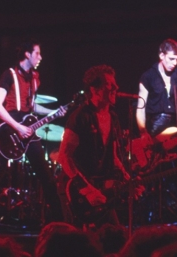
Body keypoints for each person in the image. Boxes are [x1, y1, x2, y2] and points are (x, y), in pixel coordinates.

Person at [0, 40, 66, 234]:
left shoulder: (35, 78)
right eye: (38, 53)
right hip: (9, 130)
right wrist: (17, 127)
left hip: (27, 130)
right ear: (27, 54)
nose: (41, 57)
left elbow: (32, 106)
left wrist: (53, 112)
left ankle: (61, 223)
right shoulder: (8, 75)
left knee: (46, 176)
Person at [57, 65, 143, 229]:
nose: (116, 88)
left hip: (99, 190)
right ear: (94, 89)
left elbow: (113, 157)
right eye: (109, 84)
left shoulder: (113, 117)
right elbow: (64, 157)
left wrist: (127, 179)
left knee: (114, 238)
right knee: (80, 243)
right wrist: (86, 190)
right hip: (75, 190)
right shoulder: (80, 117)